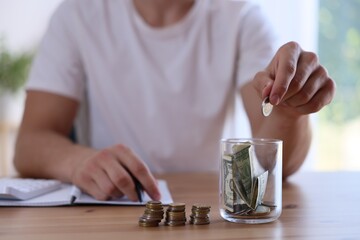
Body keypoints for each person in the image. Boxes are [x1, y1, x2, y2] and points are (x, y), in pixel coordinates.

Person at [14, 0, 335, 202]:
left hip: (206, 207)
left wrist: (292, 111)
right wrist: (78, 162)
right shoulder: (77, 13)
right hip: (110, 204)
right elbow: (30, 143)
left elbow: (276, 160)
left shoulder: (240, 15)